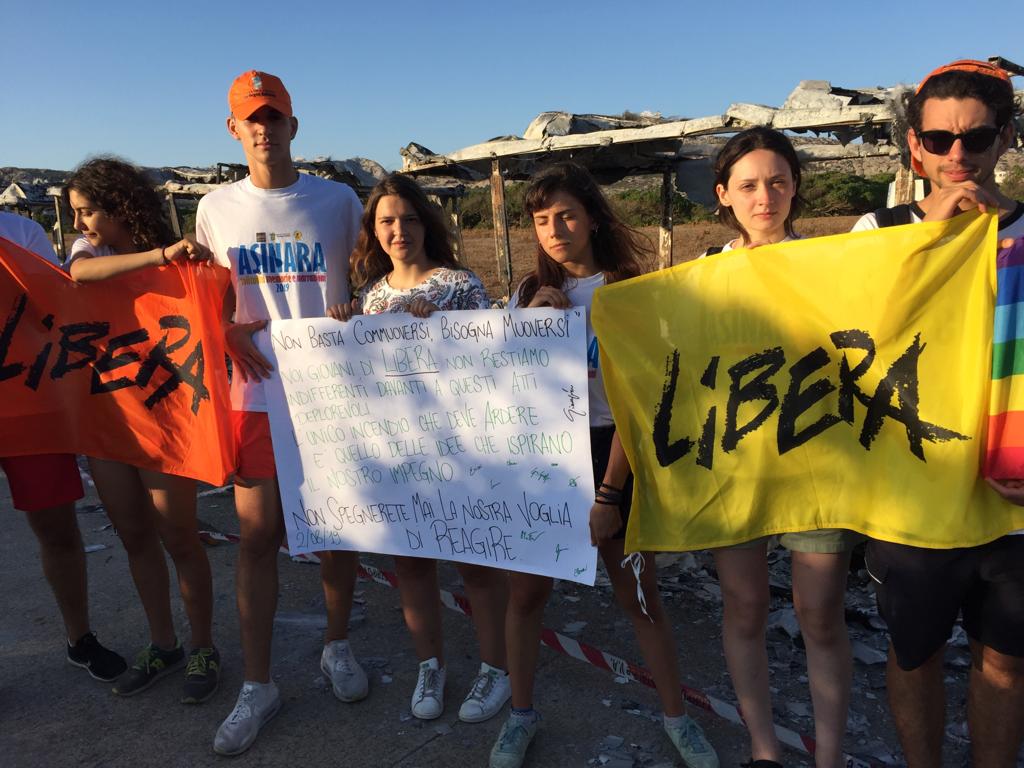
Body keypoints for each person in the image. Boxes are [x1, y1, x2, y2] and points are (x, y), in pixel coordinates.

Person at [488, 162, 718, 768]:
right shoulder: (525, 294)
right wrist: (532, 324)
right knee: (525, 595)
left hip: (614, 451)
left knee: (638, 594)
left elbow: (638, 403)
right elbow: (504, 391)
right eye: (541, 220)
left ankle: (677, 718)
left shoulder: (628, 290)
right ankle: (520, 715)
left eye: (566, 214)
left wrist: (611, 493)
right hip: (544, 457)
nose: (555, 229)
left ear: (592, 217)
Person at [852, 59, 1024, 768]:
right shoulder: (876, 228)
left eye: (976, 138)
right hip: (912, 495)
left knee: (1006, 661)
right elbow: (850, 336)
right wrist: (927, 235)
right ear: (914, 146)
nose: (958, 155)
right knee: (913, 652)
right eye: (939, 139)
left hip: (1010, 498)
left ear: (1004, 139)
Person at [195, 70, 367, 756]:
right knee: (258, 535)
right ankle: (258, 684)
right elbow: (208, 297)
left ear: (293, 125)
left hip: (330, 391)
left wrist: (363, 308)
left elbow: (372, 273)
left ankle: (337, 645)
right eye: (251, 118)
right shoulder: (215, 208)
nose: (263, 128)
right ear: (233, 129)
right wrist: (224, 331)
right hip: (257, 393)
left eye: (274, 116)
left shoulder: (338, 200)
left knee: (337, 529)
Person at [704, 127, 859, 768]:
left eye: (777, 182)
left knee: (818, 613)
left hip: (818, 461)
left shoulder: (830, 265)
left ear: (795, 187)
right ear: (724, 194)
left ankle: (829, 758)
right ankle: (763, 750)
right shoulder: (701, 277)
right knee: (743, 607)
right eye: (748, 185)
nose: (763, 197)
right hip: (735, 463)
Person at [345, 172, 511, 723]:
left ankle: (496, 669)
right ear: (374, 230)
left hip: (460, 453)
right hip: (398, 455)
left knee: (476, 566)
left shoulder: (460, 285)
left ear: (426, 223)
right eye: (387, 221)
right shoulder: (370, 296)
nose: (400, 230)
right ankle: (429, 664)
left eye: (410, 218)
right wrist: (343, 327)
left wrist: (445, 327)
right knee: (412, 565)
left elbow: (491, 361)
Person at [63, 157, 221, 703]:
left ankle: (203, 646)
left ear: (117, 204)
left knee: (180, 537)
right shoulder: (91, 251)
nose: (79, 223)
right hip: (109, 419)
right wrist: (161, 257)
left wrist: (175, 258)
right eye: (75, 212)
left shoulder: (173, 250)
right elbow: (78, 275)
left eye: (87, 211)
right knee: (134, 536)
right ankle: (163, 644)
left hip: (165, 416)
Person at [0, 210, 127, 683]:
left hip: (29, 401)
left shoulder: (21, 231)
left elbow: (53, 307)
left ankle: (80, 638)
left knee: (57, 528)